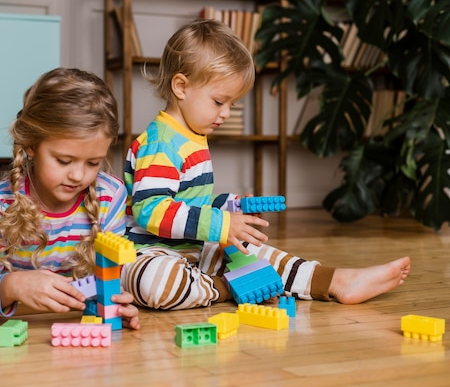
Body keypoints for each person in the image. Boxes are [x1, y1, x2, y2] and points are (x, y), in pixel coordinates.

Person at [121, 19, 411, 310]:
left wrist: (230, 206)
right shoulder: (161, 143)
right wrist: (221, 224)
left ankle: (335, 280)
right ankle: (226, 287)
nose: (225, 114)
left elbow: (188, 202)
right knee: (154, 282)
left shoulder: (193, 136)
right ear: (181, 86)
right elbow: (151, 210)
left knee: (255, 251)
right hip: (153, 253)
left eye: (231, 104)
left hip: (194, 251)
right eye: (219, 101)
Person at [0, 67, 140, 329]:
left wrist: (116, 300)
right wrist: (12, 285)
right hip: (1, 260)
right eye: (64, 160)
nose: (77, 175)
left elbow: (110, 276)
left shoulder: (113, 195)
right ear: (30, 143)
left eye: (93, 163)